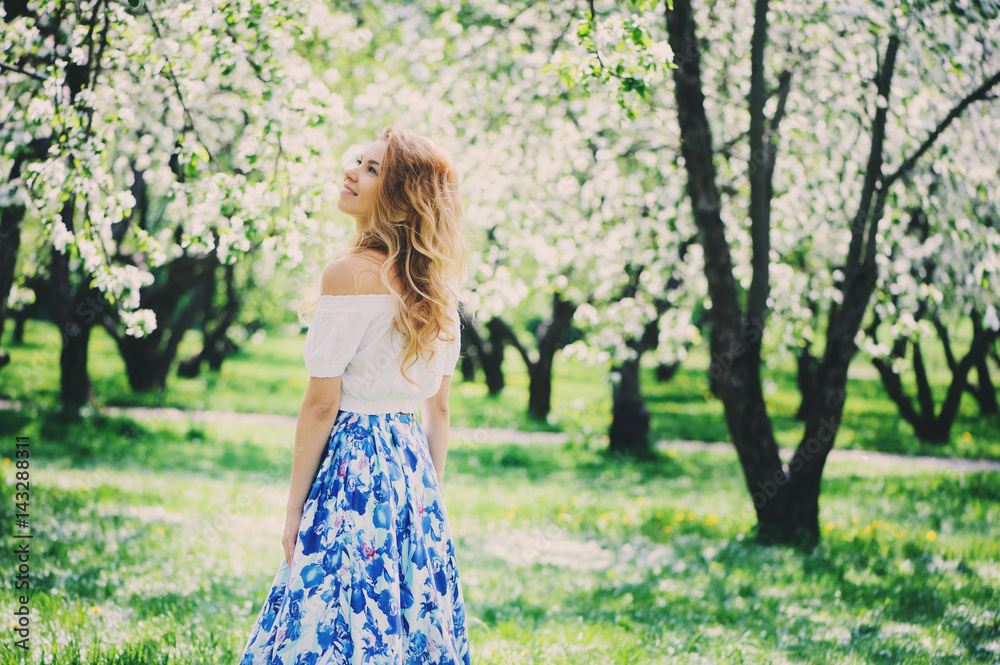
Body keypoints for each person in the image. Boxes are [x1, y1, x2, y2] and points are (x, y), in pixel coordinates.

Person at [238, 125, 471, 665]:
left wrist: (294, 507)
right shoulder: (439, 289)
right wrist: (427, 498)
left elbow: (322, 405)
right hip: (411, 465)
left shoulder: (347, 275)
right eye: (357, 162)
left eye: (372, 169)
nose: (352, 173)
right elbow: (438, 406)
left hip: (356, 462)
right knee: (401, 608)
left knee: (335, 607)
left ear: (401, 196)